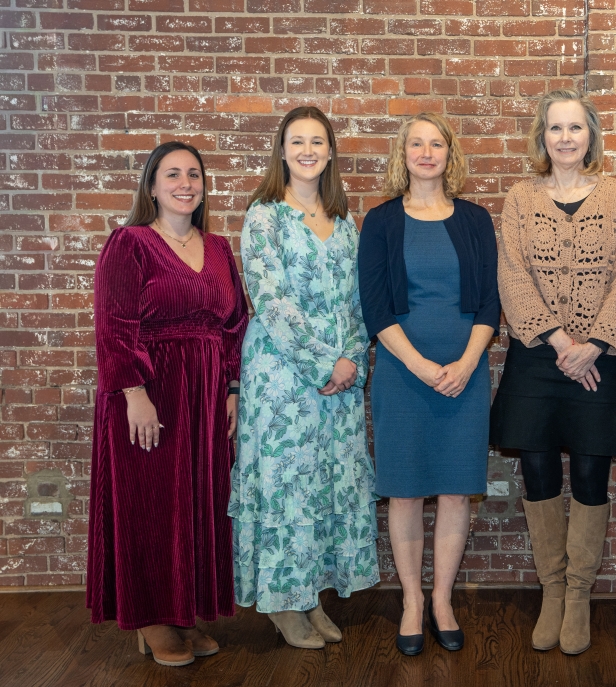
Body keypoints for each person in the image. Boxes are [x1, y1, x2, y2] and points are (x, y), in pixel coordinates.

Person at [490, 89, 616, 656]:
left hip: (596, 359)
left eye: (576, 128)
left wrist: (595, 343)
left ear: (590, 135)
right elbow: (512, 273)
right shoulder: (520, 197)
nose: (566, 138)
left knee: (589, 476)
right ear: (542, 137)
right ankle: (551, 590)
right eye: (556, 128)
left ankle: (579, 594)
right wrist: (558, 341)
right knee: (537, 470)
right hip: (536, 353)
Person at [87, 142, 248, 666]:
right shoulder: (129, 243)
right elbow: (114, 324)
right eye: (172, 174)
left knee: (194, 503)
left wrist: (231, 389)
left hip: (204, 397)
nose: (186, 184)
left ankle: (183, 614)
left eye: (195, 175)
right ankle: (152, 618)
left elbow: (234, 327)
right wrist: (134, 394)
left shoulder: (220, 248)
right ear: (152, 186)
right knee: (151, 505)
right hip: (148, 392)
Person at [230, 106, 379, 650]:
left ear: (331, 152)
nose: (308, 150)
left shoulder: (345, 224)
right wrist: (324, 363)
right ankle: (281, 603)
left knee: (323, 487)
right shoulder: (265, 216)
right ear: (283, 150)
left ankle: (310, 595)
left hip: (338, 382)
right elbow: (270, 301)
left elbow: (360, 304)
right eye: (298, 141)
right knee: (286, 487)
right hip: (283, 379)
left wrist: (352, 365)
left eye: (318, 141)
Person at [357, 112, 499, 656]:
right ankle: (411, 601)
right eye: (416, 143)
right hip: (401, 371)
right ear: (403, 154)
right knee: (406, 489)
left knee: (457, 489)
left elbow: (489, 300)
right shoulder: (382, 221)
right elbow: (375, 306)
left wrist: (466, 362)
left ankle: (443, 598)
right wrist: (417, 364)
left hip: (464, 370)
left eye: (436, 142)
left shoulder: (474, 219)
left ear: (449, 153)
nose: (426, 152)